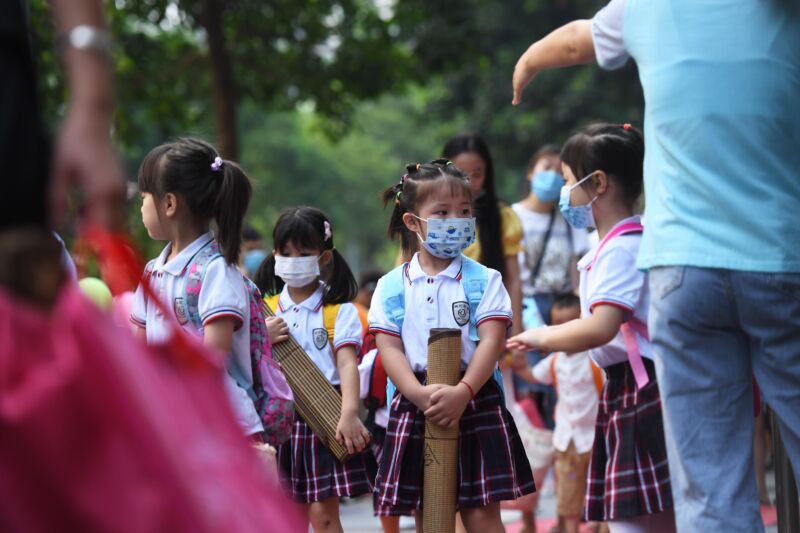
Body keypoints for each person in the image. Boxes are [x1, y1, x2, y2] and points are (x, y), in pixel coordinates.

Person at [510, 3, 800, 531]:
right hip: (779, 255)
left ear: (598, 184)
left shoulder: (650, 7)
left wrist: (529, 58)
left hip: (685, 270)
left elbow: (577, 38)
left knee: (709, 487)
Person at [508, 124, 675, 533]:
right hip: (629, 387)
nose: (565, 192)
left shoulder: (622, 248)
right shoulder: (614, 243)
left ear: (597, 183)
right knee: (649, 513)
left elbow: (600, 328)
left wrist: (539, 336)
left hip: (641, 388)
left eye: (568, 180)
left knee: (634, 517)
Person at [369, 159, 535, 532]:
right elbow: (389, 348)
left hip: (474, 400)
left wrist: (464, 390)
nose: (456, 220)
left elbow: (493, 341)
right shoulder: (392, 286)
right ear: (412, 221)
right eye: (442, 212)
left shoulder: (484, 280)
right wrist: (417, 394)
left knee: (481, 514)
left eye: (464, 211)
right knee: (430, 513)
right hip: (416, 405)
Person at [130, 138, 265, 441]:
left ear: (169, 203)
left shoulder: (216, 270)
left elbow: (213, 354)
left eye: (143, 198)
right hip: (172, 420)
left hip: (221, 424)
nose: (140, 207)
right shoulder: (153, 272)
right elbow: (139, 347)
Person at [256, 206, 374, 533]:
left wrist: (349, 413)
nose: (294, 259)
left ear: (324, 257)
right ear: (275, 255)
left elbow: (348, 364)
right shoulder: (263, 311)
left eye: (304, 252)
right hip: (279, 422)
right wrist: (259, 337)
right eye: (287, 252)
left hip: (325, 421)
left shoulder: (340, 311)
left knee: (323, 517)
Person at [514, 293, 601, 533]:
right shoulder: (555, 360)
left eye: (570, 325)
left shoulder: (595, 359)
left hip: (595, 438)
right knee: (568, 501)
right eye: (558, 326)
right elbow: (534, 376)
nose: (564, 333)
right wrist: (518, 365)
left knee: (600, 495)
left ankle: (598, 525)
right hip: (566, 440)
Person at [442, 134, 525, 348]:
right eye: (461, 174)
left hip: (486, 320)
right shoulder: (428, 219)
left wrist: (515, 333)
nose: (469, 182)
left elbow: (513, 280)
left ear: (487, 174)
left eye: (476, 174)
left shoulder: (503, 216)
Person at [514, 145, 589, 324]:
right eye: (547, 167)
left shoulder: (570, 220)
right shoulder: (512, 217)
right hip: (527, 310)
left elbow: (576, 264)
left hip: (565, 310)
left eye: (559, 172)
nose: (552, 176)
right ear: (531, 173)